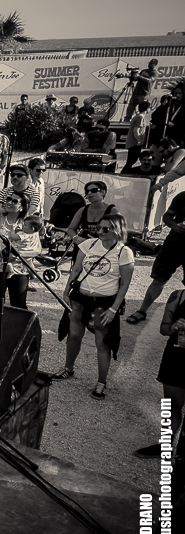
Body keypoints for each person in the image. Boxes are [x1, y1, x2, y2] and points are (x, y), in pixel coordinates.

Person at [51, 214, 135, 400]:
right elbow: (76, 269)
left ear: (118, 230)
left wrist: (113, 309)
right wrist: (66, 291)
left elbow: (124, 284)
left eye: (106, 228)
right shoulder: (88, 244)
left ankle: (101, 382)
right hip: (80, 299)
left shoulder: (124, 252)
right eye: (99, 227)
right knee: (74, 335)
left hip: (103, 304)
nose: (101, 231)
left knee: (102, 343)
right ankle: (68, 368)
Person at [134, 287, 185, 458]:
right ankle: (165, 445)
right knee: (171, 405)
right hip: (176, 356)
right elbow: (164, 329)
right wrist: (174, 327)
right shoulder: (178, 296)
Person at [126, 189, 185, 326]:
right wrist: (175, 226)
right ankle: (142, 311)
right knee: (159, 280)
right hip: (173, 245)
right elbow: (167, 216)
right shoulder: (182, 196)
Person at [0, 192, 41, 309]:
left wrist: (19, 254)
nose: (9, 202)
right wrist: (3, 255)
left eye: (14, 201)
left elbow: (37, 250)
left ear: (22, 207)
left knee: (19, 305)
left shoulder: (29, 223)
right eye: (8, 199)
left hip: (20, 270)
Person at [65, 181, 119, 245]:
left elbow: (120, 232)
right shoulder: (82, 210)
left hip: (103, 247)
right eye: (87, 191)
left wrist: (100, 241)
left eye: (94, 190)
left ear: (103, 192)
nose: (89, 193)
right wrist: (75, 238)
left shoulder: (112, 211)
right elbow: (70, 229)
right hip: (84, 246)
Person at [122, 100, 151, 174]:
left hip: (134, 143)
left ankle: (125, 173)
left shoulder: (137, 116)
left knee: (131, 160)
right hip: (134, 143)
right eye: (149, 108)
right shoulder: (140, 118)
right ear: (147, 109)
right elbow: (136, 130)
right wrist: (139, 141)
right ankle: (123, 173)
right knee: (131, 161)